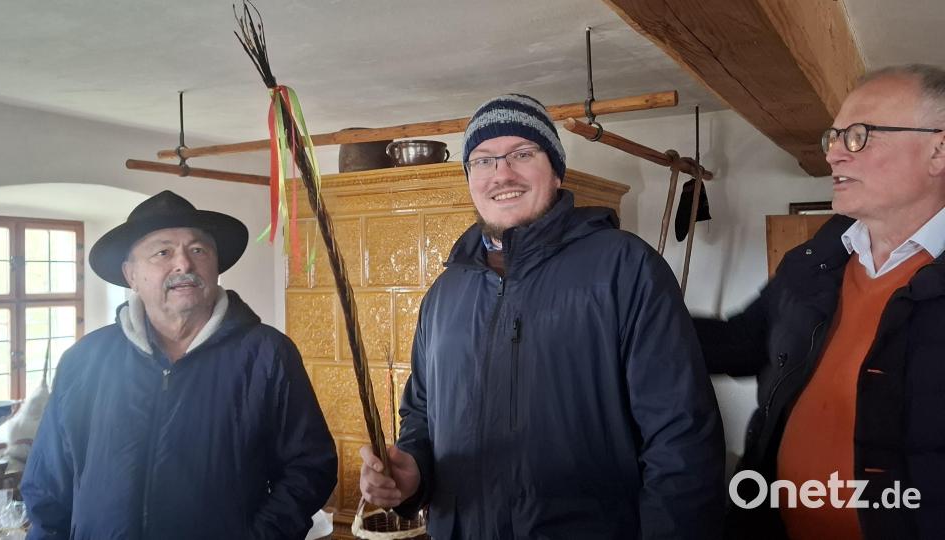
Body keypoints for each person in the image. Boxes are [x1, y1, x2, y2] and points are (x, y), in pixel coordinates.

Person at [359, 94, 725, 538]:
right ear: (470, 177)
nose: (502, 174)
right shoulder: (443, 295)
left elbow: (681, 440)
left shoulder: (625, 269)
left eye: (522, 154)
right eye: (483, 160)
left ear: (555, 170)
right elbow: (420, 413)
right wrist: (412, 472)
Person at [694, 64, 945, 540]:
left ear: (939, 150)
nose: (832, 153)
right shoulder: (816, 260)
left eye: (859, 135)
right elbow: (740, 343)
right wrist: (628, 316)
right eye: (834, 135)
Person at [21, 191, 337, 539]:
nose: (184, 264)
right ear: (131, 274)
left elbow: (309, 467)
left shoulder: (267, 355)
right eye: (163, 252)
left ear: (216, 266)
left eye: (198, 250)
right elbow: (47, 484)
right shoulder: (86, 361)